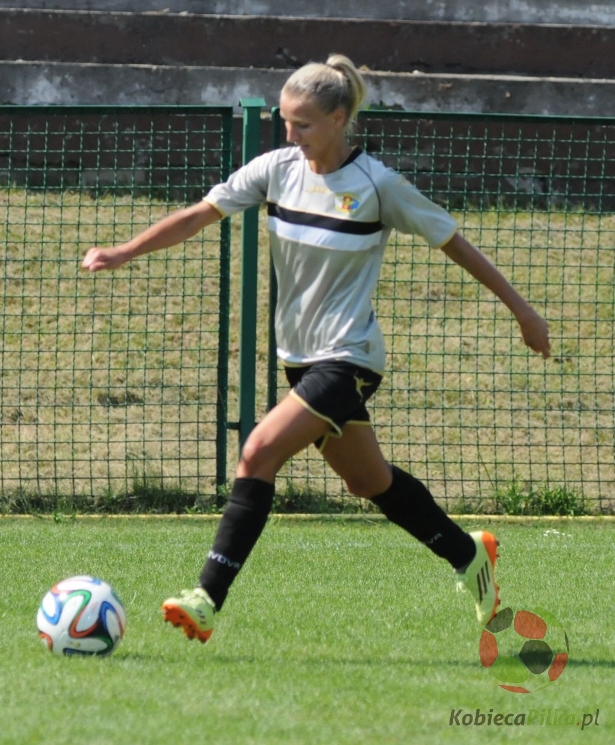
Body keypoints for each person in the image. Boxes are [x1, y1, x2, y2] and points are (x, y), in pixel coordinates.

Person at [82, 54, 551, 644]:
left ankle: (206, 598)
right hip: (300, 361)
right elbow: (200, 214)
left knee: (257, 452)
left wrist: (523, 311)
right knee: (369, 482)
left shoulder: (378, 185)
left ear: (338, 118)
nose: (290, 133)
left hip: (349, 358)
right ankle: (468, 554)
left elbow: (455, 243)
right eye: (285, 121)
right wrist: (125, 250)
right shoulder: (277, 170)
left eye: (302, 123)